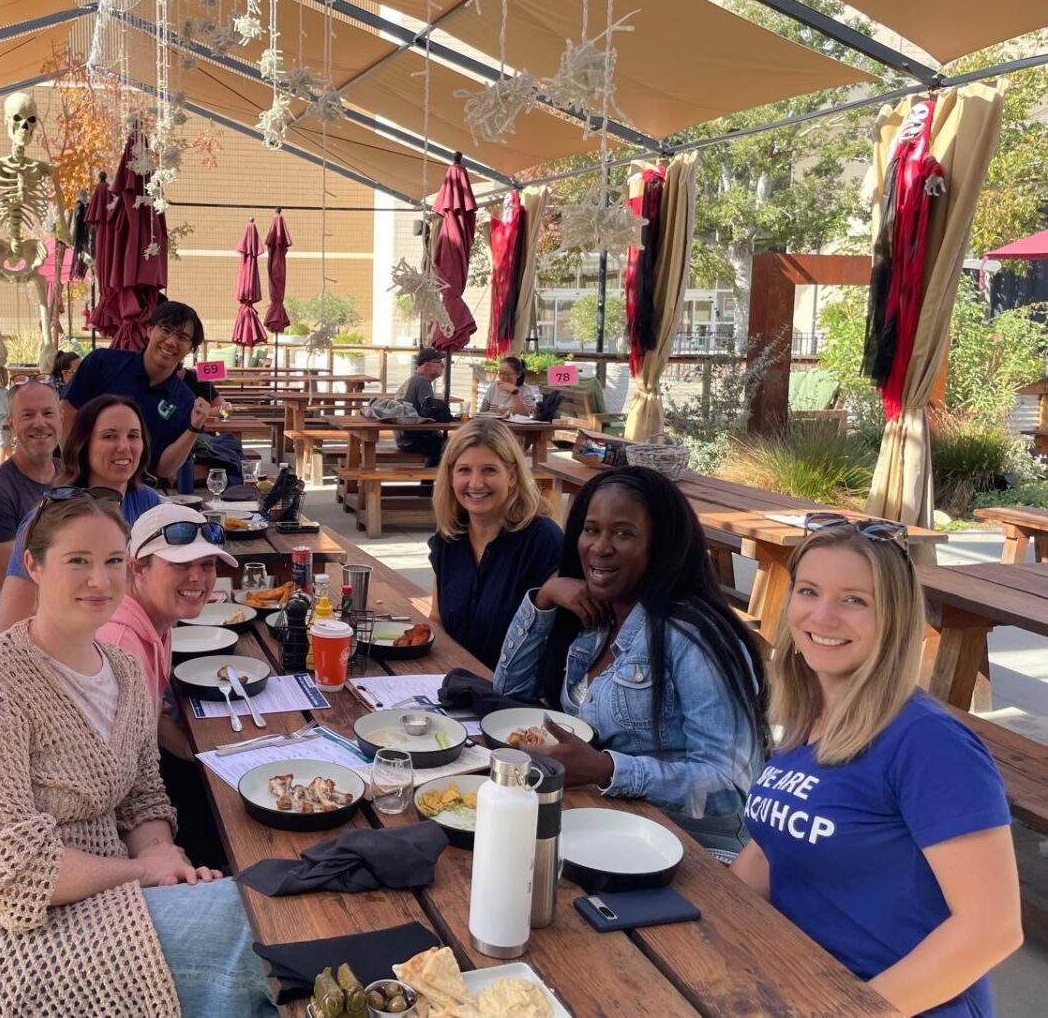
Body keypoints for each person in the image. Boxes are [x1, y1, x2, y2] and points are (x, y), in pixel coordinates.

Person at [0, 492, 274, 1017]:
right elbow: (15, 874)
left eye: (111, 561)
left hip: (110, 897)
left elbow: (143, 794)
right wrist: (143, 871)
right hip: (3, 944)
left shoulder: (122, 670)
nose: (100, 581)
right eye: (78, 561)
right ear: (34, 566)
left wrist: (166, 858)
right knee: (260, 930)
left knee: (272, 907)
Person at [730, 518, 1019, 1016]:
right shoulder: (808, 719)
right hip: (799, 982)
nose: (823, 615)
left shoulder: (930, 744)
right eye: (809, 591)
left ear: (895, 618)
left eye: (854, 600)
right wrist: (707, 921)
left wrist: (853, 1011)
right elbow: (771, 845)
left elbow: (991, 929)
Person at [493, 466, 767, 856]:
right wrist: (545, 599)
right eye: (591, 530)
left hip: (695, 851)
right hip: (601, 827)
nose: (600, 547)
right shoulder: (593, 618)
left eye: (623, 533)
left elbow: (730, 783)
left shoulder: (694, 637)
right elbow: (508, 695)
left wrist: (608, 769)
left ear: (661, 545)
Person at [99, 503, 237, 868]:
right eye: (180, 565)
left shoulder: (157, 618)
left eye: (207, 564)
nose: (198, 578)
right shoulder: (121, 644)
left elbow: (151, 721)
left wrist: (205, 754)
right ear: (137, 568)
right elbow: (121, 777)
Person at [0, 395, 166, 632]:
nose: (124, 446)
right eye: (109, 436)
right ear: (84, 445)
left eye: (133, 436)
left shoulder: (148, 502)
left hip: (137, 637)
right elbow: (10, 623)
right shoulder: (52, 516)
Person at [427, 418, 562, 668]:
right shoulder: (450, 536)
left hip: (515, 689)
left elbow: (554, 645)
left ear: (512, 475)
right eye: (464, 470)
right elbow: (437, 620)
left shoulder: (543, 541)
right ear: (451, 476)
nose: (476, 483)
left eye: (489, 470)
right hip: (454, 680)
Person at [62, 301, 211, 480]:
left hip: (140, 487)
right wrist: (72, 467)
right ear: (150, 330)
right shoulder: (102, 363)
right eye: (165, 330)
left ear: (191, 349)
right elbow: (67, 409)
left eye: (182, 337)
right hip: (83, 479)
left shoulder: (184, 400)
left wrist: (194, 428)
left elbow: (163, 469)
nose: (171, 342)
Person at [0, 380, 60, 635]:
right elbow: (11, 587)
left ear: (60, 418)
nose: (40, 423)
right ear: (11, 423)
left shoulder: (71, 476)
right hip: (18, 635)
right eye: (28, 415)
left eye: (48, 413)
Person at [395, 346, 451, 467]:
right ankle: (432, 477)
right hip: (412, 439)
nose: (442, 365)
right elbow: (429, 411)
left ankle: (431, 475)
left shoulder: (413, 380)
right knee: (449, 447)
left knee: (442, 444)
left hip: (403, 437)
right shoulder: (423, 382)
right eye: (439, 362)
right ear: (427, 365)